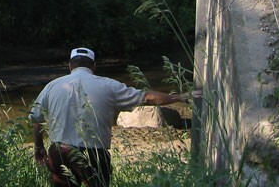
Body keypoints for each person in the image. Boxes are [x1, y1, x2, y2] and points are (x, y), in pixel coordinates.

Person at [29, 47, 196, 187]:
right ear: (94, 66)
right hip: (94, 154)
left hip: (59, 152)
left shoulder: (52, 86)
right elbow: (147, 97)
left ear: (70, 65)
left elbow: (36, 118)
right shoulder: (109, 85)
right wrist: (180, 97)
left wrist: (39, 148)